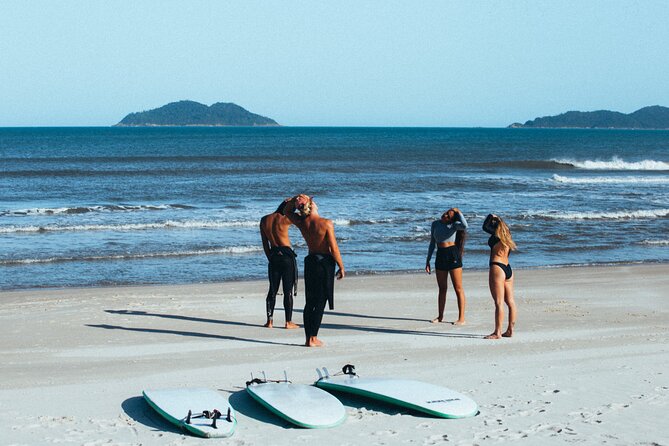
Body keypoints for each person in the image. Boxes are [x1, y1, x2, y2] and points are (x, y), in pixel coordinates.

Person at [283, 194, 345, 347]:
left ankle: (307, 338)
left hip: (310, 261)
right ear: (311, 204)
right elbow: (334, 248)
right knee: (320, 301)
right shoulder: (325, 223)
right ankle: (313, 338)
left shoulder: (302, 222)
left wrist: (293, 201)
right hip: (324, 263)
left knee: (309, 301)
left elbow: (286, 212)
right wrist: (341, 266)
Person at [259, 199, 299, 329]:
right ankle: (288, 322)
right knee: (287, 291)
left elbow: (265, 244)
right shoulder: (287, 218)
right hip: (287, 256)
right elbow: (305, 217)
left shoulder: (264, 220)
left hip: (273, 255)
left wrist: (270, 258)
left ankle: (269, 321)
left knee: (272, 290)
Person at [425, 207, 468, 325]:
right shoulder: (435, 224)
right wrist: (428, 260)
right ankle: (440, 316)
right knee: (442, 288)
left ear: (451, 220)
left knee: (458, 288)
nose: (445, 216)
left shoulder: (454, 226)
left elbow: (465, 225)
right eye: (445, 213)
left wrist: (459, 212)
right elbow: (432, 243)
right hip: (440, 255)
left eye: (448, 216)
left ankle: (461, 318)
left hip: (453, 254)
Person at [483, 214, 517, 339]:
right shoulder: (508, 236)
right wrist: (498, 219)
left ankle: (497, 332)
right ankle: (510, 330)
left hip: (497, 267)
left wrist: (490, 216)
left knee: (498, 302)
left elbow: (485, 227)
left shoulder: (496, 235)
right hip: (508, 268)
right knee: (510, 302)